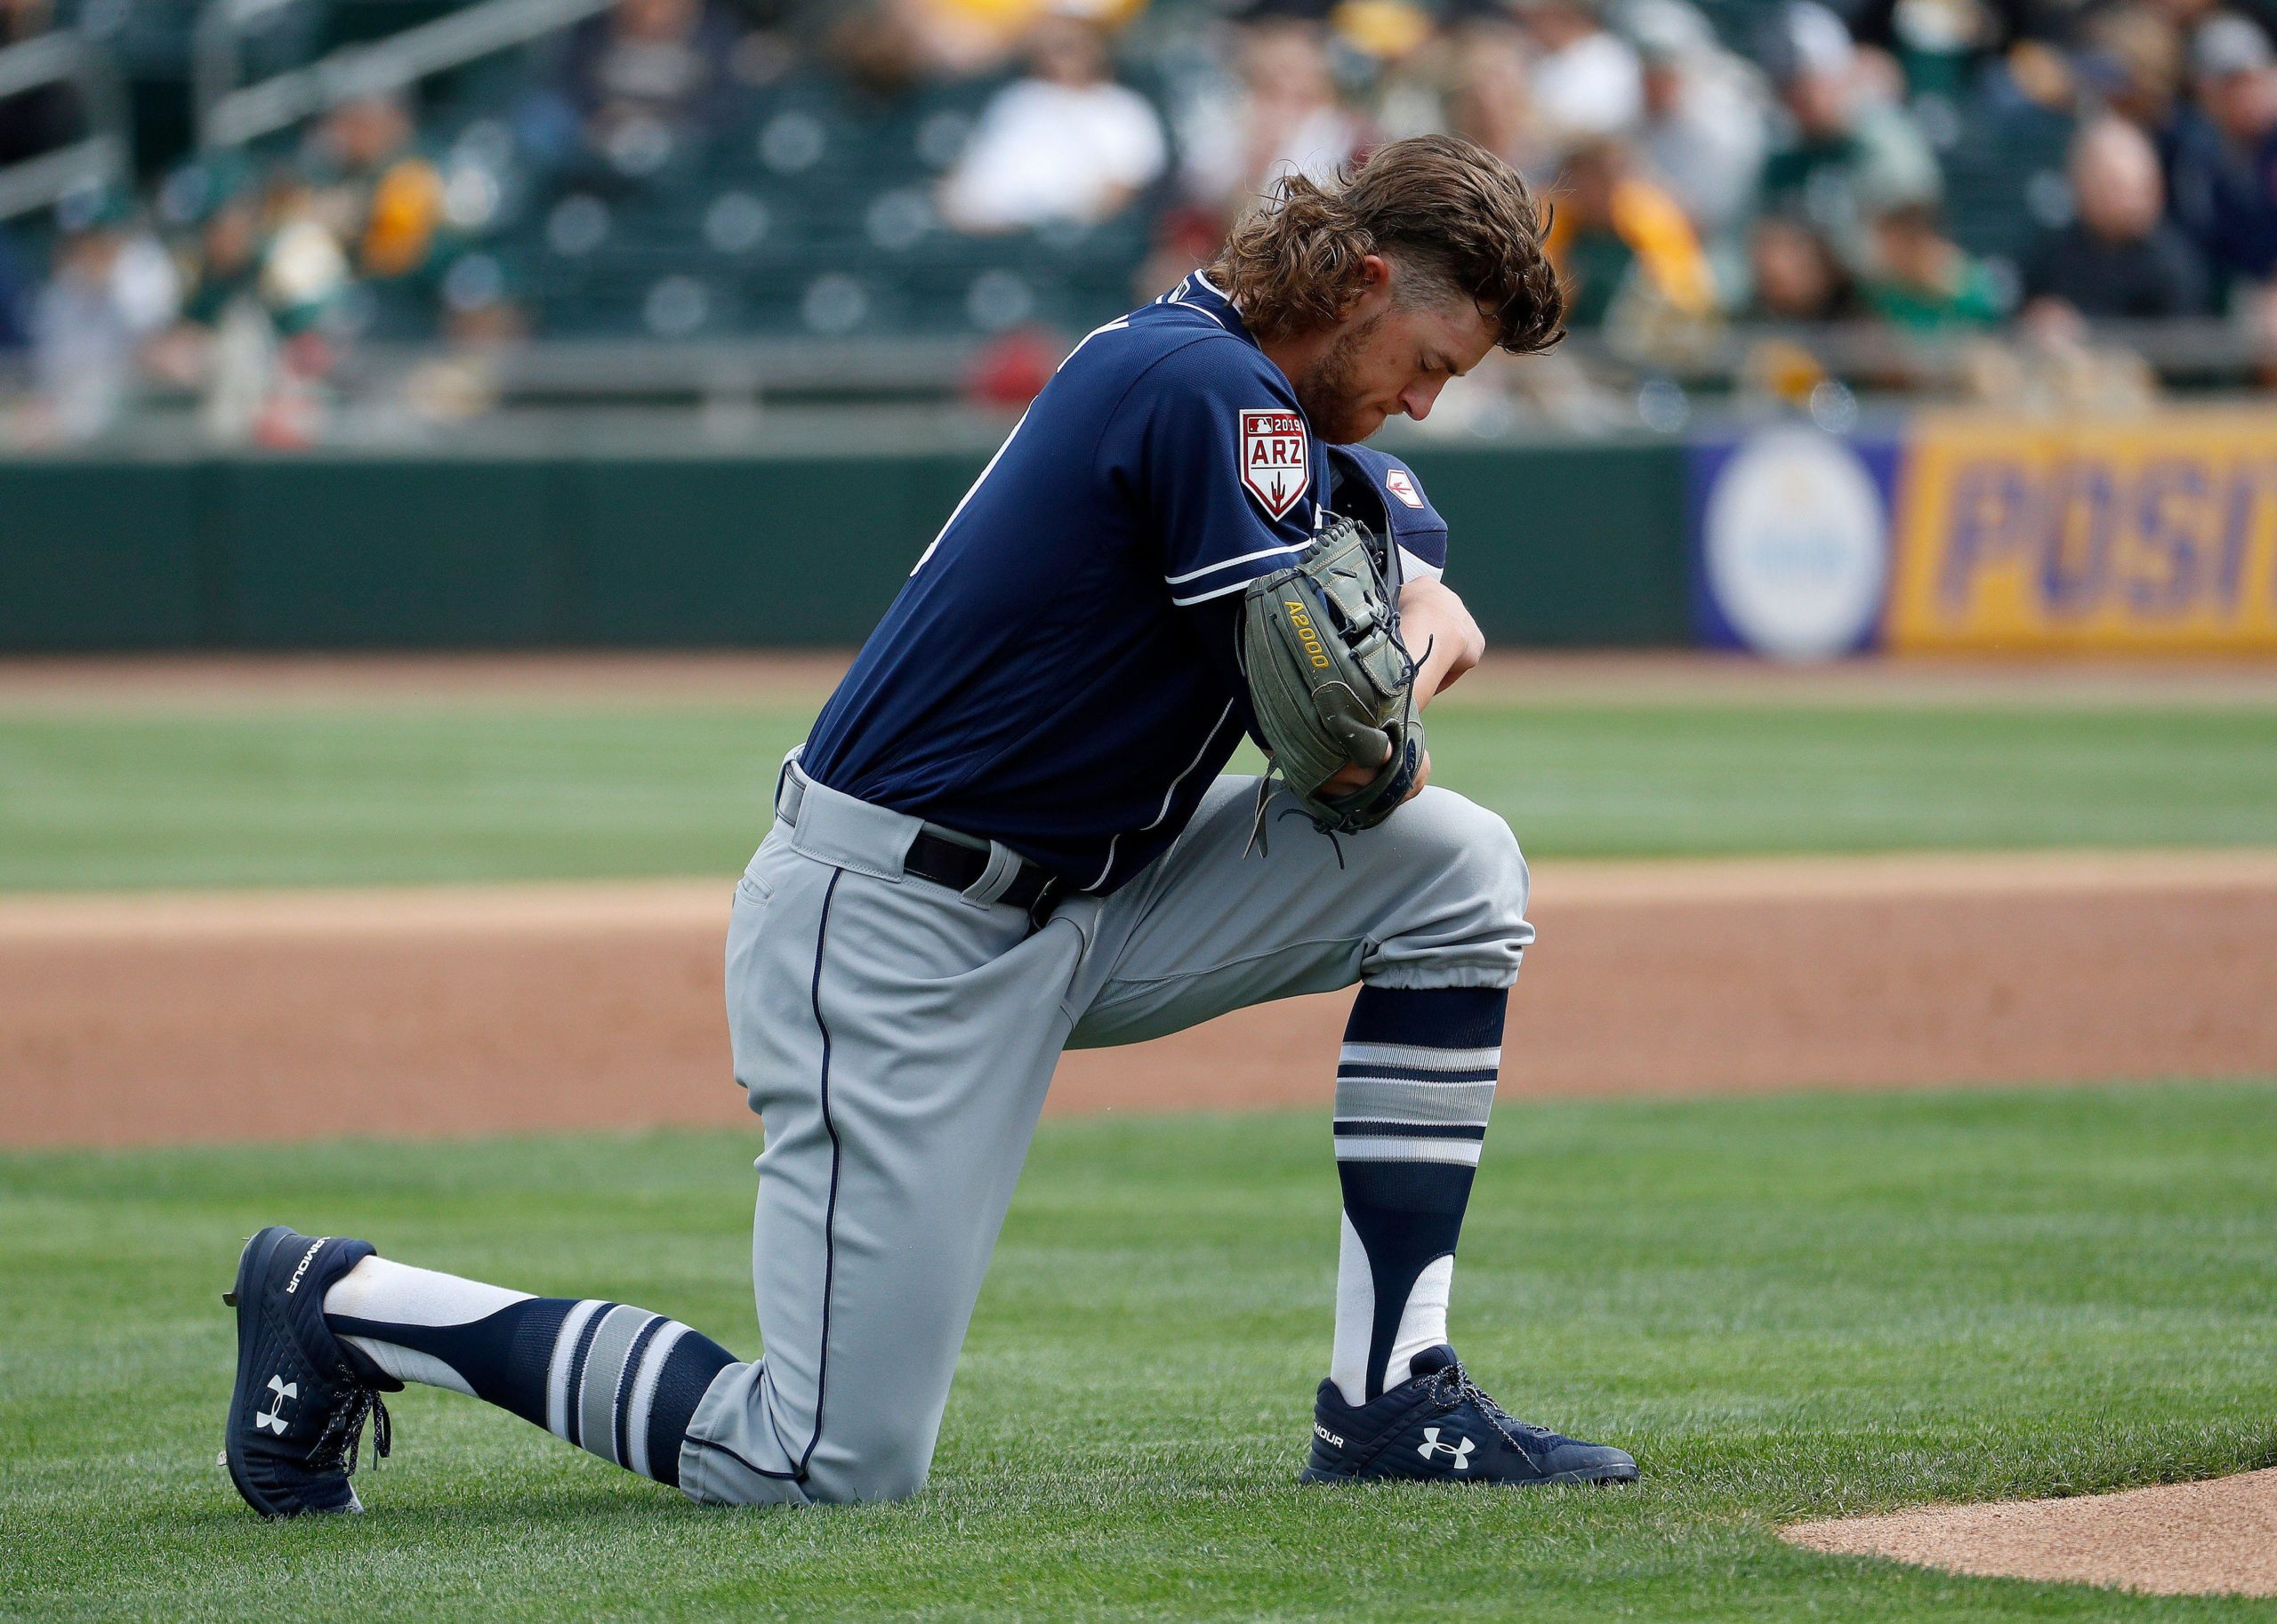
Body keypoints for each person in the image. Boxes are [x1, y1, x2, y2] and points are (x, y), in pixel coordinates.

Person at [221, 133, 1641, 1518]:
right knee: (824, 1459)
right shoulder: (1195, 378)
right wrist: (1419, 616)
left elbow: (1385, 504)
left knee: (1456, 872)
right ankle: (345, 1303)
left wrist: (1425, 585)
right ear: (1361, 283)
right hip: (897, 922)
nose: (1427, 405)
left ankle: (1390, 1393)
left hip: (1096, 896)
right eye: (1429, 365)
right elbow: (1332, 739)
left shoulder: (1235, 383)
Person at [938, 8, 1167, 233]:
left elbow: (1119, 195)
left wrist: (1044, 227)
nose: (1054, 56)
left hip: (1059, 239)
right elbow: (965, 175)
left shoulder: (1124, 108)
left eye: (1066, 46)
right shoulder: (1016, 97)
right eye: (1047, 47)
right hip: (981, 230)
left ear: (1097, 47)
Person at [2020, 116, 2209, 330]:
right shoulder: (2054, 252)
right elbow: (2024, 314)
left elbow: (2178, 348)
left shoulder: (2173, 265)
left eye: (2136, 188)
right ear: (2081, 184)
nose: (2131, 200)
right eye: (2114, 186)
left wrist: (2085, 334)